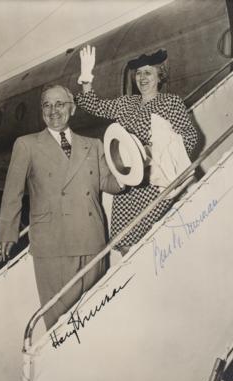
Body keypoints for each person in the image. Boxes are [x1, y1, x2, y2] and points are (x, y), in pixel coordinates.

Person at [0, 83, 121, 330]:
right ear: (41, 111)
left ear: (72, 109)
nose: (53, 110)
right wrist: (7, 234)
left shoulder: (93, 144)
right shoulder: (27, 144)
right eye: (47, 105)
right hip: (53, 243)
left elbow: (109, 183)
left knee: (95, 318)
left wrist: (136, 168)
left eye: (60, 104)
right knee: (60, 326)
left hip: (92, 239)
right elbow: (13, 192)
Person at [75, 45, 198, 256]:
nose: (142, 77)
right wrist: (86, 78)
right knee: (124, 244)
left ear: (160, 76)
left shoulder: (171, 103)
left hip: (155, 183)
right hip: (128, 184)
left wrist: (156, 151)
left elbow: (190, 137)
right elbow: (94, 106)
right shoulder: (127, 103)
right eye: (138, 73)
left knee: (151, 242)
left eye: (148, 72)